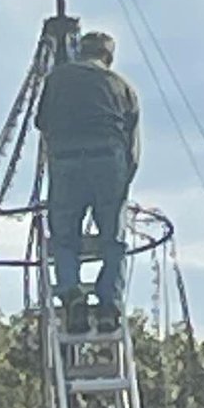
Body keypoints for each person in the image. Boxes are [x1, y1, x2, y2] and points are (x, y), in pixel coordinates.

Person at [35, 31, 140, 334]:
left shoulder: (56, 79)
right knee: (113, 239)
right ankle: (109, 305)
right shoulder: (122, 87)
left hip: (66, 159)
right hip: (108, 160)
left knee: (65, 237)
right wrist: (121, 184)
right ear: (109, 56)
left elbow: (42, 123)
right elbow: (133, 148)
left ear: (81, 52)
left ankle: (71, 295)